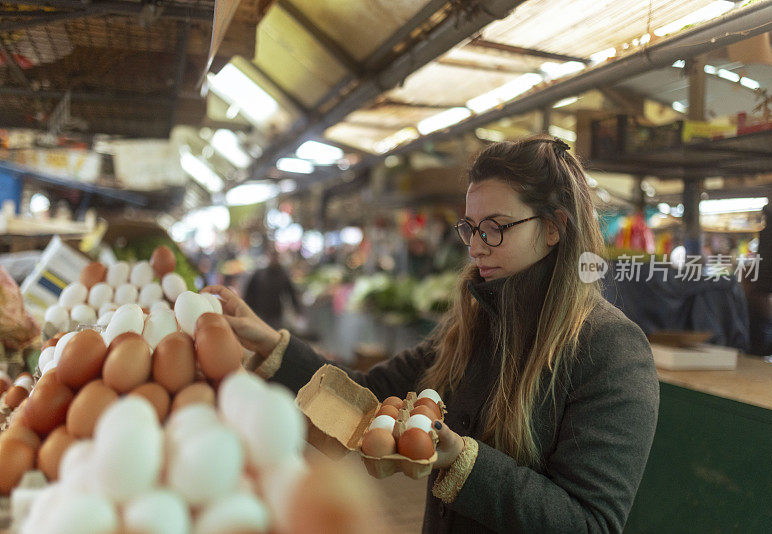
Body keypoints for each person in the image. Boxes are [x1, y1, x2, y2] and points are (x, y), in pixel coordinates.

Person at [204, 135, 659, 534]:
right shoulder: (475, 327)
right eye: (469, 227)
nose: (476, 245)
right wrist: (269, 342)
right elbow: (367, 394)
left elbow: (589, 522)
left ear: (555, 227)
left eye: (495, 228)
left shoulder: (610, 349)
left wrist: (463, 460)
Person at [243, 247, 302, 331]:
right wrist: (247, 309)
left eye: (276, 257)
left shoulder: (283, 275)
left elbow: (291, 293)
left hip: (276, 313)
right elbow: (249, 293)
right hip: (259, 312)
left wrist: (297, 309)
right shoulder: (259, 274)